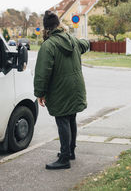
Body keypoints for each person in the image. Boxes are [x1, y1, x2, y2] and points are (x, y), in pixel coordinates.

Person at [34, 11, 90, 170]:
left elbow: (42, 72)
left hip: (60, 89)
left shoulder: (48, 45)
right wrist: (86, 40)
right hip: (76, 87)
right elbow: (85, 44)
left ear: (46, 28)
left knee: (63, 120)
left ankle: (64, 158)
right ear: (58, 25)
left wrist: (40, 93)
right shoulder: (72, 40)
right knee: (71, 118)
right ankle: (70, 152)